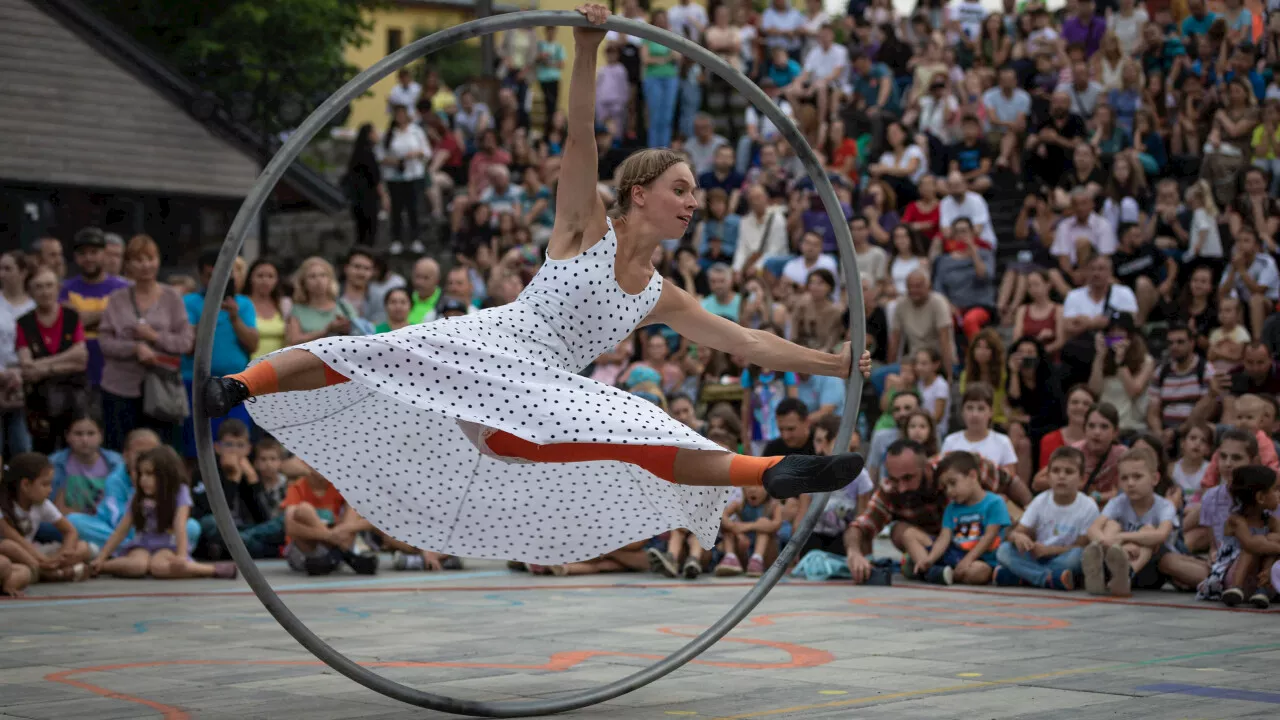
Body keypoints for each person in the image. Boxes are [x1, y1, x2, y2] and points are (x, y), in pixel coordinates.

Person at [202, 4, 871, 568]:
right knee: (359, 353)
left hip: (542, 392)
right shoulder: (587, 226)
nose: (693, 203)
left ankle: (771, 472)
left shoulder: (658, 295)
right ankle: (238, 388)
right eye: (681, 189)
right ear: (639, 194)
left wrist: (834, 362)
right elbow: (580, 134)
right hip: (492, 344)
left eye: (696, 193)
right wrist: (587, 46)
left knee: (640, 426)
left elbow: (748, 341)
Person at [90, 446, 237, 579]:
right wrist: (102, 557)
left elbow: (180, 526)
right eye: (141, 474)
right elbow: (122, 529)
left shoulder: (179, 492)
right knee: (138, 565)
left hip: (167, 546)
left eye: (149, 474)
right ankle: (99, 567)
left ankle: (212, 570)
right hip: (142, 545)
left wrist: (181, 555)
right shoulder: (138, 496)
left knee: (159, 567)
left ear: (166, 475)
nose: (143, 480)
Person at [1083, 447, 1208, 596]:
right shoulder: (1117, 502)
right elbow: (1092, 529)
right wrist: (1111, 544)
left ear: (1154, 479)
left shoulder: (1164, 505)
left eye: (1137, 477)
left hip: (1153, 566)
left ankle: (1128, 573)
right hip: (1119, 558)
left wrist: (1122, 538)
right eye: (1124, 478)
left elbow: (1161, 535)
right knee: (1111, 525)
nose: (1130, 483)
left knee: (1148, 531)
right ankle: (1103, 573)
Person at [996, 446, 1099, 590]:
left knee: (1078, 556)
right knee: (1004, 550)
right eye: (1056, 471)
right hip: (1037, 555)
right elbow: (1016, 532)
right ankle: (1048, 578)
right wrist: (1018, 537)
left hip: (1062, 557)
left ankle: (1022, 576)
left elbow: (1081, 546)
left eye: (1068, 472)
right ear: (1048, 477)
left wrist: (1049, 550)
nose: (1061, 476)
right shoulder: (1041, 500)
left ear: (1082, 479)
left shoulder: (1088, 506)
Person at [913, 451, 1011, 586]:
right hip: (955, 555)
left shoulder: (994, 503)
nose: (949, 491)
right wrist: (930, 559)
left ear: (972, 475)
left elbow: (989, 537)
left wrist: (968, 560)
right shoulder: (951, 508)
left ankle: (941, 574)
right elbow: (944, 538)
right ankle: (931, 568)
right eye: (945, 487)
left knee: (980, 572)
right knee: (909, 534)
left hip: (981, 559)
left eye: (953, 483)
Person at [0, 452, 92, 587]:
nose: (50, 490)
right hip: (17, 556)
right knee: (9, 547)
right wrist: (42, 559)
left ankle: (49, 570)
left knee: (83, 547)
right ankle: (53, 573)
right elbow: (13, 538)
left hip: (35, 553)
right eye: (45, 484)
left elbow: (70, 531)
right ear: (25, 485)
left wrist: (63, 555)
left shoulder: (42, 504)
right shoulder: (4, 504)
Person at [1196, 465, 1279, 608]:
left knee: (1272, 540)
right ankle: (1236, 588)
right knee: (1255, 545)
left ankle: (1262, 591)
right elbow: (1250, 544)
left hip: (1260, 577)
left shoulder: (1272, 522)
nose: (1279, 494)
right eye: (1276, 489)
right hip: (1231, 576)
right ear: (1260, 497)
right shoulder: (1236, 521)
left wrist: (1270, 567)